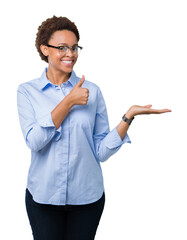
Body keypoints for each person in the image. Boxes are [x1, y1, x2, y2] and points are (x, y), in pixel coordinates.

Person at [17, 16, 171, 240]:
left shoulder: (93, 91)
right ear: (45, 49)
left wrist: (128, 117)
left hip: (87, 198)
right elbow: (34, 141)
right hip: (44, 198)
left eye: (74, 47)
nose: (70, 53)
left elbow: (100, 151)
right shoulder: (27, 92)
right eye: (62, 48)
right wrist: (68, 102)